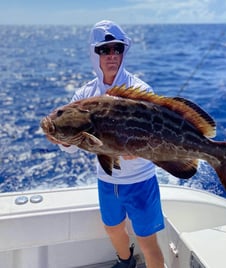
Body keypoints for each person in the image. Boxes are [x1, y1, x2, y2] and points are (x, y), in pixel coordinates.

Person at [46, 20, 165, 268]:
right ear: (94, 53)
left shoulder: (140, 89)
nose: (112, 55)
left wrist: (140, 154)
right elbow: (71, 146)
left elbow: (159, 135)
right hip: (108, 180)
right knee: (112, 228)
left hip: (140, 181)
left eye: (117, 49)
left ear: (124, 51)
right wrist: (60, 139)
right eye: (104, 49)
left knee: (148, 242)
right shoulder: (83, 95)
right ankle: (125, 261)